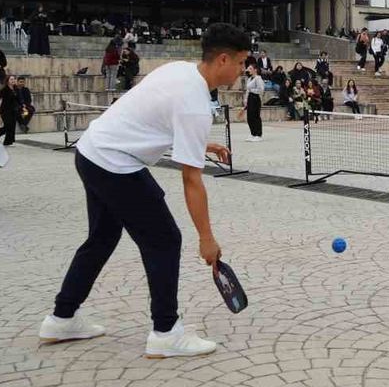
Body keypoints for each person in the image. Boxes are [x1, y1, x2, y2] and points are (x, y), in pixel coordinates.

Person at [39, 24, 249, 357]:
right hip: (115, 163)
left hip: (91, 151)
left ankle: (62, 317)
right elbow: (191, 179)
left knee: (102, 238)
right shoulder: (195, 102)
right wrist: (206, 237)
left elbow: (152, 116)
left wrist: (200, 143)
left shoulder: (180, 71)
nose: (243, 70)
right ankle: (166, 332)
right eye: (241, 63)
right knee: (165, 239)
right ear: (223, 59)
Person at [0, 74, 22, 145]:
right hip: (5, 110)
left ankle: (8, 141)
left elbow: (18, 99)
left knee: (12, 125)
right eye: (11, 79)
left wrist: (22, 106)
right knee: (7, 125)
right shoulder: (4, 89)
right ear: (7, 81)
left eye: (14, 79)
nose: (13, 81)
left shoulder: (16, 89)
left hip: (13, 110)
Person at [244, 64, 264, 142]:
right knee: (250, 117)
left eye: (250, 68)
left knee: (255, 116)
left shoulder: (258, 78)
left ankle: (258, 134)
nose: (248, 70)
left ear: (255, 70)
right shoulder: (249, 79)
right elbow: (247, 90)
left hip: (255, 98)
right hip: (250, 98)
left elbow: (261, 90)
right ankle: (253, 133)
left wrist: (252, 90)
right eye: (248, 68)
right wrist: (245, 99)